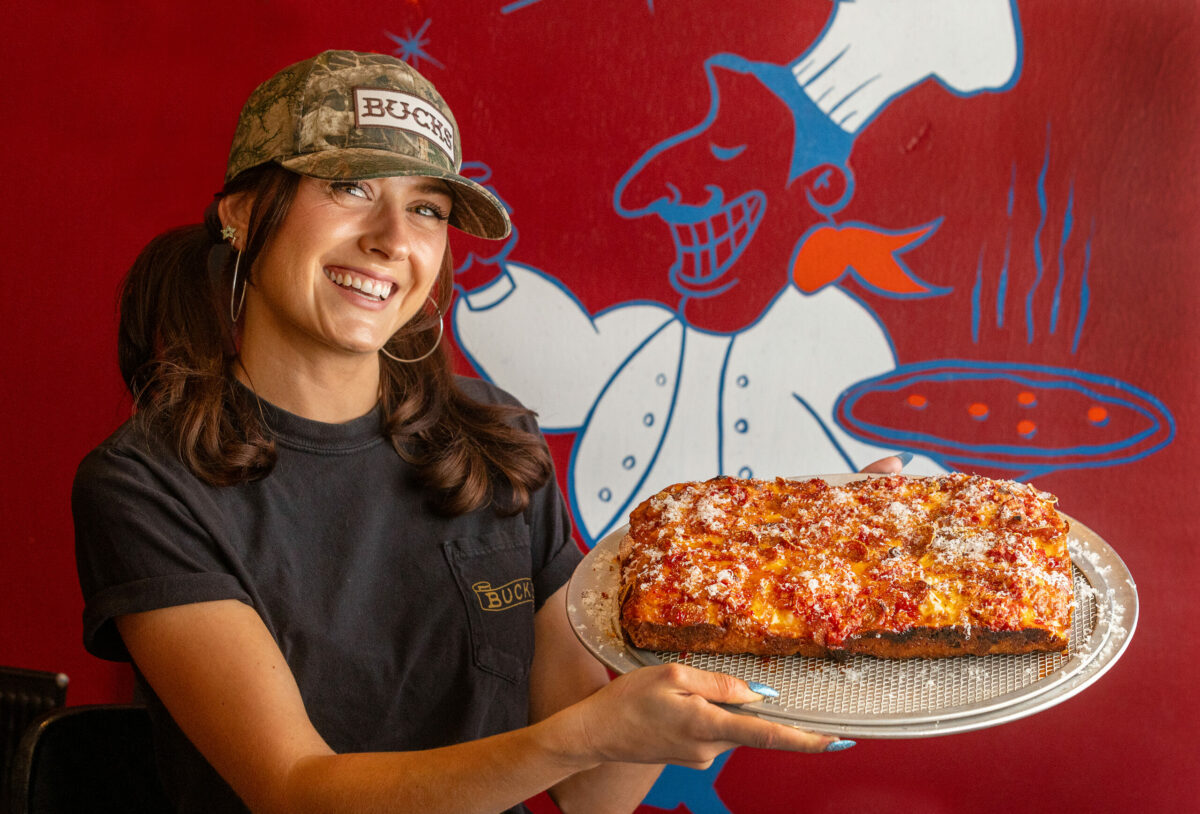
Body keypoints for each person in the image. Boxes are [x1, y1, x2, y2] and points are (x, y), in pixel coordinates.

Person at [73, 49, 890, 814]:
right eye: (352, 187)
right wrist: (592, 729)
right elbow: (296, 788)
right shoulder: (147, 484)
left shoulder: (491, 441)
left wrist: (754, 595)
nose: (393, 240)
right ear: (246, 215)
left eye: (425, 209)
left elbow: (595, 796)